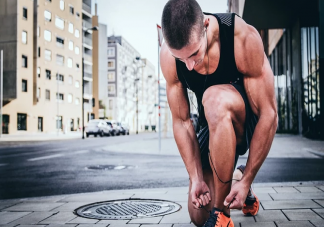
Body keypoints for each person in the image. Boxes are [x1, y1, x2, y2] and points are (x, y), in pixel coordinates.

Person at [160, 0, 278, 226]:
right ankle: (231, 182)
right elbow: (182, 121)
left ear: (205, 25)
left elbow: (269, 114)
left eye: (194, 54)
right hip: (213, 127)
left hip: (246, 122)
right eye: (180, 59)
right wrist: (195, 178)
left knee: (213, 99)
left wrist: (248, 179)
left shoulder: (241, 37)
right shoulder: (168, 57)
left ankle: (221, 215)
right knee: (197, 215)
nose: (189, 66)